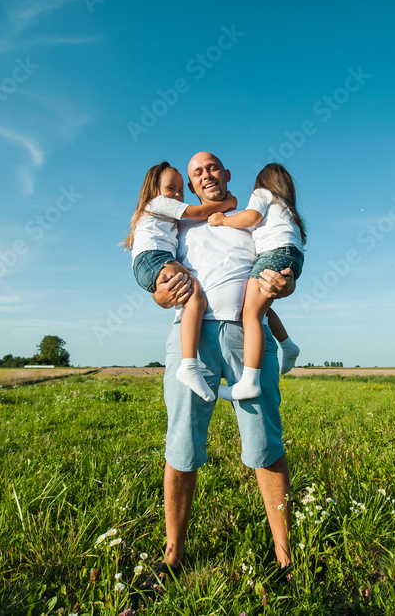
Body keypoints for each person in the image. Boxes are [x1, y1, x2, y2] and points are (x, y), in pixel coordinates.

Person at [132, 152, 295, 604]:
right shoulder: (179, 221)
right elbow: (158, 281)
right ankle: (173, 557)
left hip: (248, 337)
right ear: (189, 185)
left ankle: (286, 559)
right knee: (182, 443)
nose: (205, 175)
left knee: (265, 443)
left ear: (226, 174)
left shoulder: (254, 216)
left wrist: (287, 284)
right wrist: (160, 295)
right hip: (192, 337)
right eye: (196, 173)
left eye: (212, 167)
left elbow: (281, 265)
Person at [122, 162, 236, 401]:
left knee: (194, 298)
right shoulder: (158, 203)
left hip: (152, 260)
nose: (176, 195)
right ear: (154, 190)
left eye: (181, 191)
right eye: (170, 188)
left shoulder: (167, 217)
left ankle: (189, 365)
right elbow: (198, 212)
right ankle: (189, 366)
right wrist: (227, 204)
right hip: (154, 257)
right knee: (196, 298)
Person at [208, 163, 306, 400]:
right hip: (292, 258)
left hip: (273, 254)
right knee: (262, 310)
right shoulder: (287, 210)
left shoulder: (262, 193)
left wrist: (222, 219)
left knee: (250, 314)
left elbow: (251, 216)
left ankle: (249, 381)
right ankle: (288, 345)